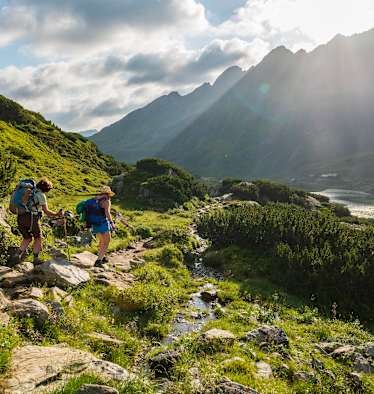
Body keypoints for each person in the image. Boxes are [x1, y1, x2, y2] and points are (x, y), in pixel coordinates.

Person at [17, 177, 64, 265]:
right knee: (38, 238)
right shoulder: (41, 195)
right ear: (46, 189)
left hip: (20, 216)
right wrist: (57, 214)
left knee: (27, 238)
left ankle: (17, 255)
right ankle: (36, 259)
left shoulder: (30, 191)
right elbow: (47, 212)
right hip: (31, 218)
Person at [90, 186, 116, 267]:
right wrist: (112, 223)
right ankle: (98, 260)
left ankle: (102, 256)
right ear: (109, 193)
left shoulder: (96, 199)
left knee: (101, 241)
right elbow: (107, 213)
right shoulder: (107, 201)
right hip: (103, 222)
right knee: (107, 241)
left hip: (95, 223)